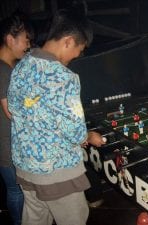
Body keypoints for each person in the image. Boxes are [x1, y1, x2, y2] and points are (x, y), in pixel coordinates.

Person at [7, 9, 105, 225]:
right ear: (68, 41)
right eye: (79, 50)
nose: (77, 56)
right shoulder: (65, 78)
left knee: (34, 220)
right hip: (57, 173)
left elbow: (14, 108)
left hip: (25, 167)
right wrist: (89, 134)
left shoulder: (21, 65)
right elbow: (75, 131)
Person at [0, 12, 32, 225]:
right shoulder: (2, 70)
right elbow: (12, 110)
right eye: (25, 39)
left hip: (11, 142)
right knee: (16, 191)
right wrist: (36, 98)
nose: (28, 45)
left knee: (17, 190)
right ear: (11, 39)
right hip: (7, 145)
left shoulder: (10, 68)